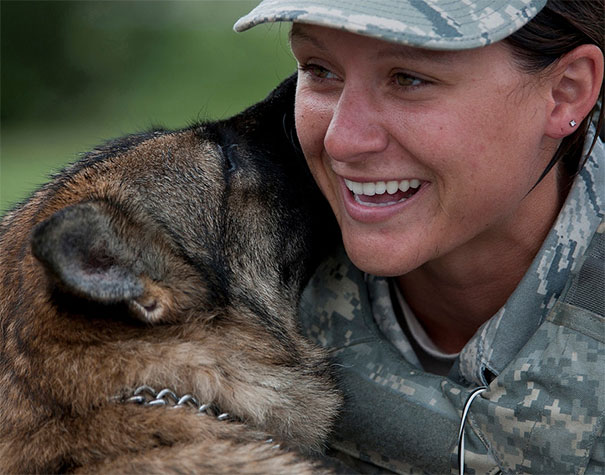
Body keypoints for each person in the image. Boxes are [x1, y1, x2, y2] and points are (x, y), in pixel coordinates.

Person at [235, 1, 604, 473]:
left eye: (408, 78)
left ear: (565, 93)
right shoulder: (221, 284)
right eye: (320, 69)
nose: (341, 141)